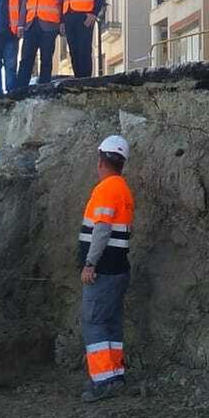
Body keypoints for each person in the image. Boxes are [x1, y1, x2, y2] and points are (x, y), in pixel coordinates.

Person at [78, 134, 134, 403]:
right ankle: (115, 375)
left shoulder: (106, 189)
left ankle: (103, 382)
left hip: (104, 271)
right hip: (119, 268)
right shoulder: (122, 188)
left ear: (101, 160)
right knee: (110, 322)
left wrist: (90, 263)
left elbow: (101, 230)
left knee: (95, 322)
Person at [14, 0, 63, 91]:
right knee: (26, 58)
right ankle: (20, 89)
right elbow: (24, 5)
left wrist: (62, 22)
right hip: (31, 24)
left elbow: (61, 1)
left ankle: (43, 88)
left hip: (49, 25)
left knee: (46, 58)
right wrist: (21, 24)